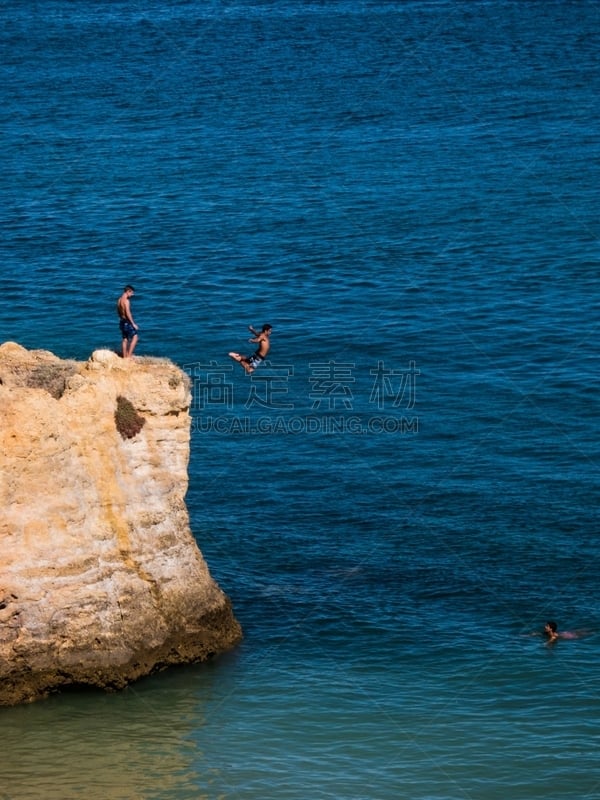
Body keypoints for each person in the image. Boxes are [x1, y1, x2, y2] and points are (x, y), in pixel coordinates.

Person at [116, 285, 139, 358]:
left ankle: (124, 356)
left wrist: (121, 319)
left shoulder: (119, 300)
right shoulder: (126, 301)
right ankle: (129, 356)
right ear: (128, 291)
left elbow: (118, 311)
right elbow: (128, 313)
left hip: (122, 321)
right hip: (127, 322)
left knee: (125, 339)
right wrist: (133, 323)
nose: (132, 295)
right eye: (132, 293)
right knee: (135, 337)